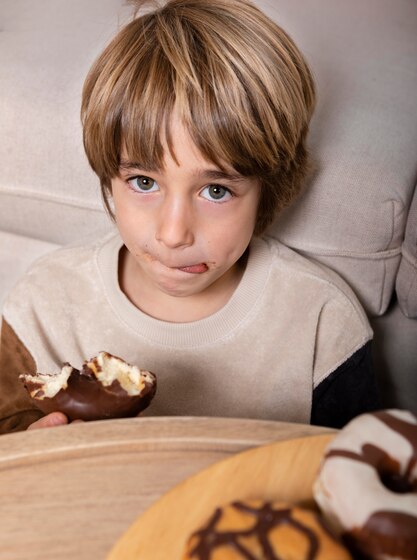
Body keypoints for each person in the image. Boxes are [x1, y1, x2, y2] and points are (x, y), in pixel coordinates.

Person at [0, 0, 380, 434]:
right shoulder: (45, 302)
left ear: (268, 190)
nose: (173, 233)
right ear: (109, 177)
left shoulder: (320, 320)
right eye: (144, 182)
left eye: (215, 191)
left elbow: (361, 472)